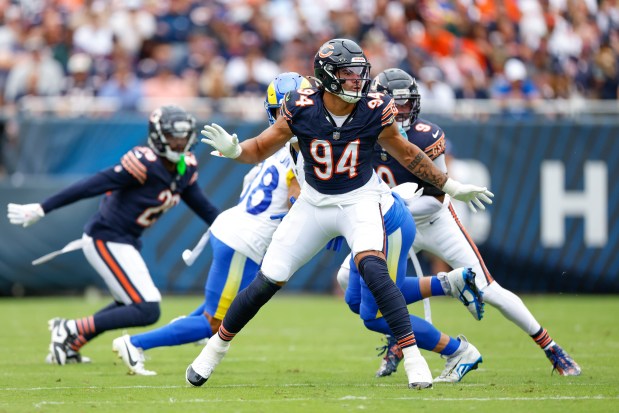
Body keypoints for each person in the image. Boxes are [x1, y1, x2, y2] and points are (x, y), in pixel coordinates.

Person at [188, 38, 493, 390]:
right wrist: (235, 150)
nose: (357, 81)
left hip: (359, 200)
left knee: (375, 270)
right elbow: (260, 147)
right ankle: (212, 353)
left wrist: (450, 186)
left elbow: (407, 153)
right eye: (348, 74)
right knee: (267, 280)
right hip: (313, 204)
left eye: (359, 73)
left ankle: (413, 357)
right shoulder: (301, 106)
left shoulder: (373, 107)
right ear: (327, 76)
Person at [356, 67, 581, 377]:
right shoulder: (363, 133)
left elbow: (435, 198)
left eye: (405, 105)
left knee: (489, 288)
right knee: (351, 284)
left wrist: (396, 207)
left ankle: (550, 346)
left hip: (430, 220)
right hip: (389, 225)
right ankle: (433, 301)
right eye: (393, 105)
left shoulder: (426, 136)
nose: (400, 112)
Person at [111, 72, 306, 375]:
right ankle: (135, 343)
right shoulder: (297, 154)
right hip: (245, 241)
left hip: (240, 233)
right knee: (213, 323)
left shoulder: (274, 153)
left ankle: (180, 328)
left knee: (224, 310)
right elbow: (295, 198)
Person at [6, 105, 219, 365]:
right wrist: (42, 207)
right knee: (148, 307)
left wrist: (237, 230)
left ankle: (70, 341)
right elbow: (91, 185)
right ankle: (70, 329)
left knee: (128, 302)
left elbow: (205, 208)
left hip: (125, 241)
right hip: (105, 237)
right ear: (158, 137)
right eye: (174, 136)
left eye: (185, 136)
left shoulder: (185, 168)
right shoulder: (143, 164)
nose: (181, 142)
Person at [340, 181, 484, 383]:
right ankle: (445, 284)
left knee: (373, 316)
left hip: (385, 227)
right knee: (356, 299)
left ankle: (458, 351)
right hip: (365, 227)